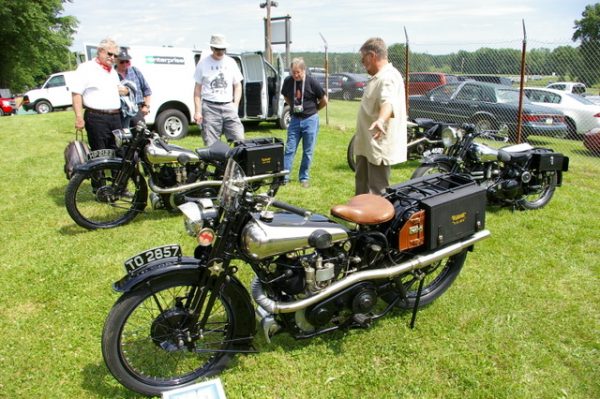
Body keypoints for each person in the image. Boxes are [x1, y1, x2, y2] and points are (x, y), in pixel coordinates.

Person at [354, 37, 407, 195]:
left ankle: (377, 221)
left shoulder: (387, 78)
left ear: (372, 56)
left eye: (363, 59)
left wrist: (381, 120)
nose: (363, 64)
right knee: (362, 186)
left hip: (377, 145)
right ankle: (361, 218)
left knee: (377, 192)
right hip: (367, 145)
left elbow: (388, 103)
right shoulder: (379, 76)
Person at [281, 58, 328, 188]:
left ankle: (304, 178)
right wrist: (292, 106)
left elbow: (324, 99)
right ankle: (284, 177)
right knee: (289, 149)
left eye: (298, 72)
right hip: (295, 120)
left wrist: (315, 109)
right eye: (293, 72)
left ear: (304, 70)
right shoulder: (288, 81)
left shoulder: (312, 82)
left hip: (310, 120)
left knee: (308, 151)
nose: (295, 75)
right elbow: (285, 95)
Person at [71, 38, 124, 150]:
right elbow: (76, 94)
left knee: (119, 153)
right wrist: (79, 117)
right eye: (110, 54)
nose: (113, 58)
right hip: (97, 118)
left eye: (115, 56)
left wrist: (126, 90)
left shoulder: (113, 72)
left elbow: (116, 89)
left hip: (116, 117)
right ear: (100, 51)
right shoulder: (86, 68)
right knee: (101, 153)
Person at [193, 34, 244, 146]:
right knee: (211, 144)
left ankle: (235, 163)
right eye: (217, 49)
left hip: (228, 106)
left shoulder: (231, 62)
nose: (220, 51)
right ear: (211, 48)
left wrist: (235, 105)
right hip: (209, 107)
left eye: (222, 49)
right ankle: (219, 162)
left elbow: (238, 85)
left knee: (239, 138)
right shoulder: (203, 63)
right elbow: (197, 90)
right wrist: (197, 111)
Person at [115, 48, 152, 128]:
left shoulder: (135, 71)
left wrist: (146, 106)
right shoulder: (112, 74)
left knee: (140, 135)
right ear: (116, 61)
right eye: (122, 62)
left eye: (127, 61)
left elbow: (147, 90)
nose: (125, 64)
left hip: (136, 110)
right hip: (120, 112)